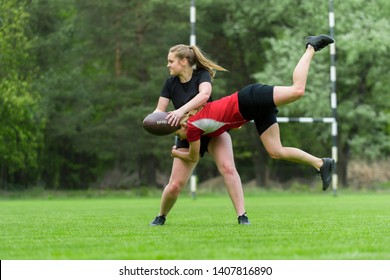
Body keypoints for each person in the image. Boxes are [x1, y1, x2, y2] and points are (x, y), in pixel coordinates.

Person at [172, 35, 336, 191]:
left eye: (177, 133)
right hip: (252, 110)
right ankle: (321, 164)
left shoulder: (193, 127)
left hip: (250, 98)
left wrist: (175, 152)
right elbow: (222, 121)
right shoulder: (201, 125)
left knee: (297, 90)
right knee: (276, 151)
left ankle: (311, 46)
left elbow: (193, 157)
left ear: (183, 124)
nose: (180, 138)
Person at [150, 44, 250, 226]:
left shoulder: (201, 75)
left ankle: (242, 216)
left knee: (228, 169)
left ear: (184, 61)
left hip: (212, 130)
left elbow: (204, 95)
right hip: (187, 135)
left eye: (171, 61)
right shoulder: (169, 84)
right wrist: (152, 121)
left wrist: (180, 111)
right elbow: (159, 110)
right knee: (175, 185)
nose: (168, 65)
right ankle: (161, 216)